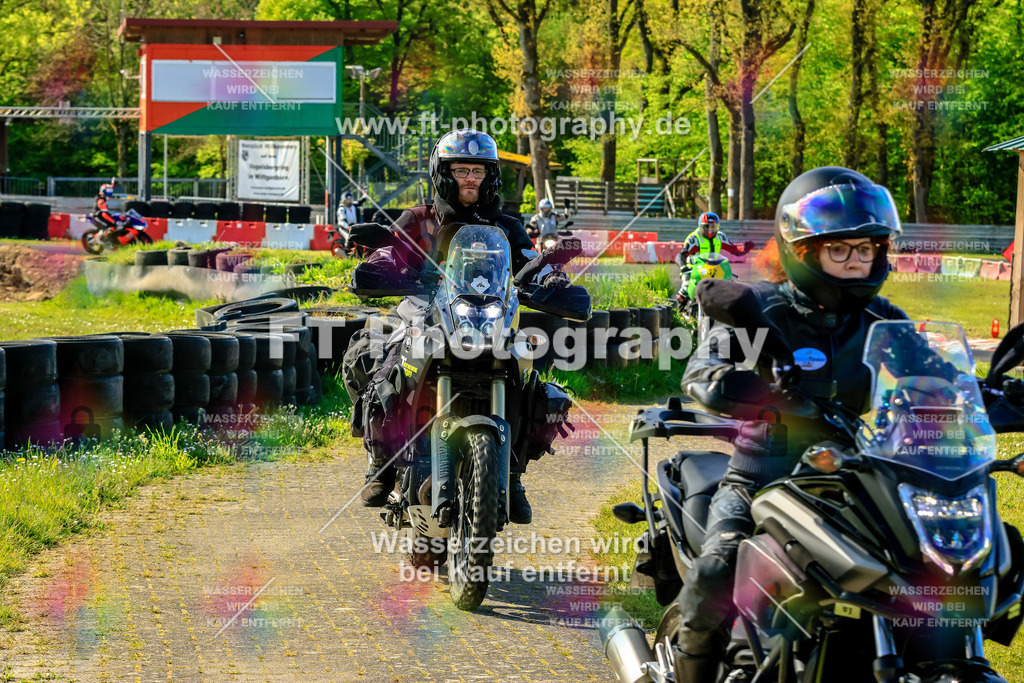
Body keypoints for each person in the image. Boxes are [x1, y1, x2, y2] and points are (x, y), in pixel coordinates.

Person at [673, 167, 908, 682]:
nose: (856, 261)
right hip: (760, 480)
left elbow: (934, 376)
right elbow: (703, 370)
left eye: (866, 249)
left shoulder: (882, 320)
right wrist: (736, 387)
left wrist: (988, 395)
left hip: (848, 485)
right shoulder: (763, 309)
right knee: (715, 572)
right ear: (802, 251)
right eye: (839, 249)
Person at [344, 129, 545, 523]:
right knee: (382, 365)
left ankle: (513, 475)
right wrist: (381, 266)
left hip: (492, 322)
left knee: (531, 382)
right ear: (443, 173)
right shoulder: (418, 219)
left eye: (478, 171)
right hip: (425, 316)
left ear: (490, 176)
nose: (470, 178)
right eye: (460, 170)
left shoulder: (507, 226)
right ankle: (382, 465)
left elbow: (530, 262)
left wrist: (550, 279)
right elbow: (391, 251)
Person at [675, 212, 754, 307]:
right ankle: (678, 311)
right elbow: (681, 255)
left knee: (732, 287)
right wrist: (683, 267)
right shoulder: (694, 238)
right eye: (706, 227)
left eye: (713, 227)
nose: (710, 230)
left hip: (714, 268)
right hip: (694, 269)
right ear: (700, 226)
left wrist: (745, 248)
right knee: (685, 290)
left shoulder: (720, 237)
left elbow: (734, 250)